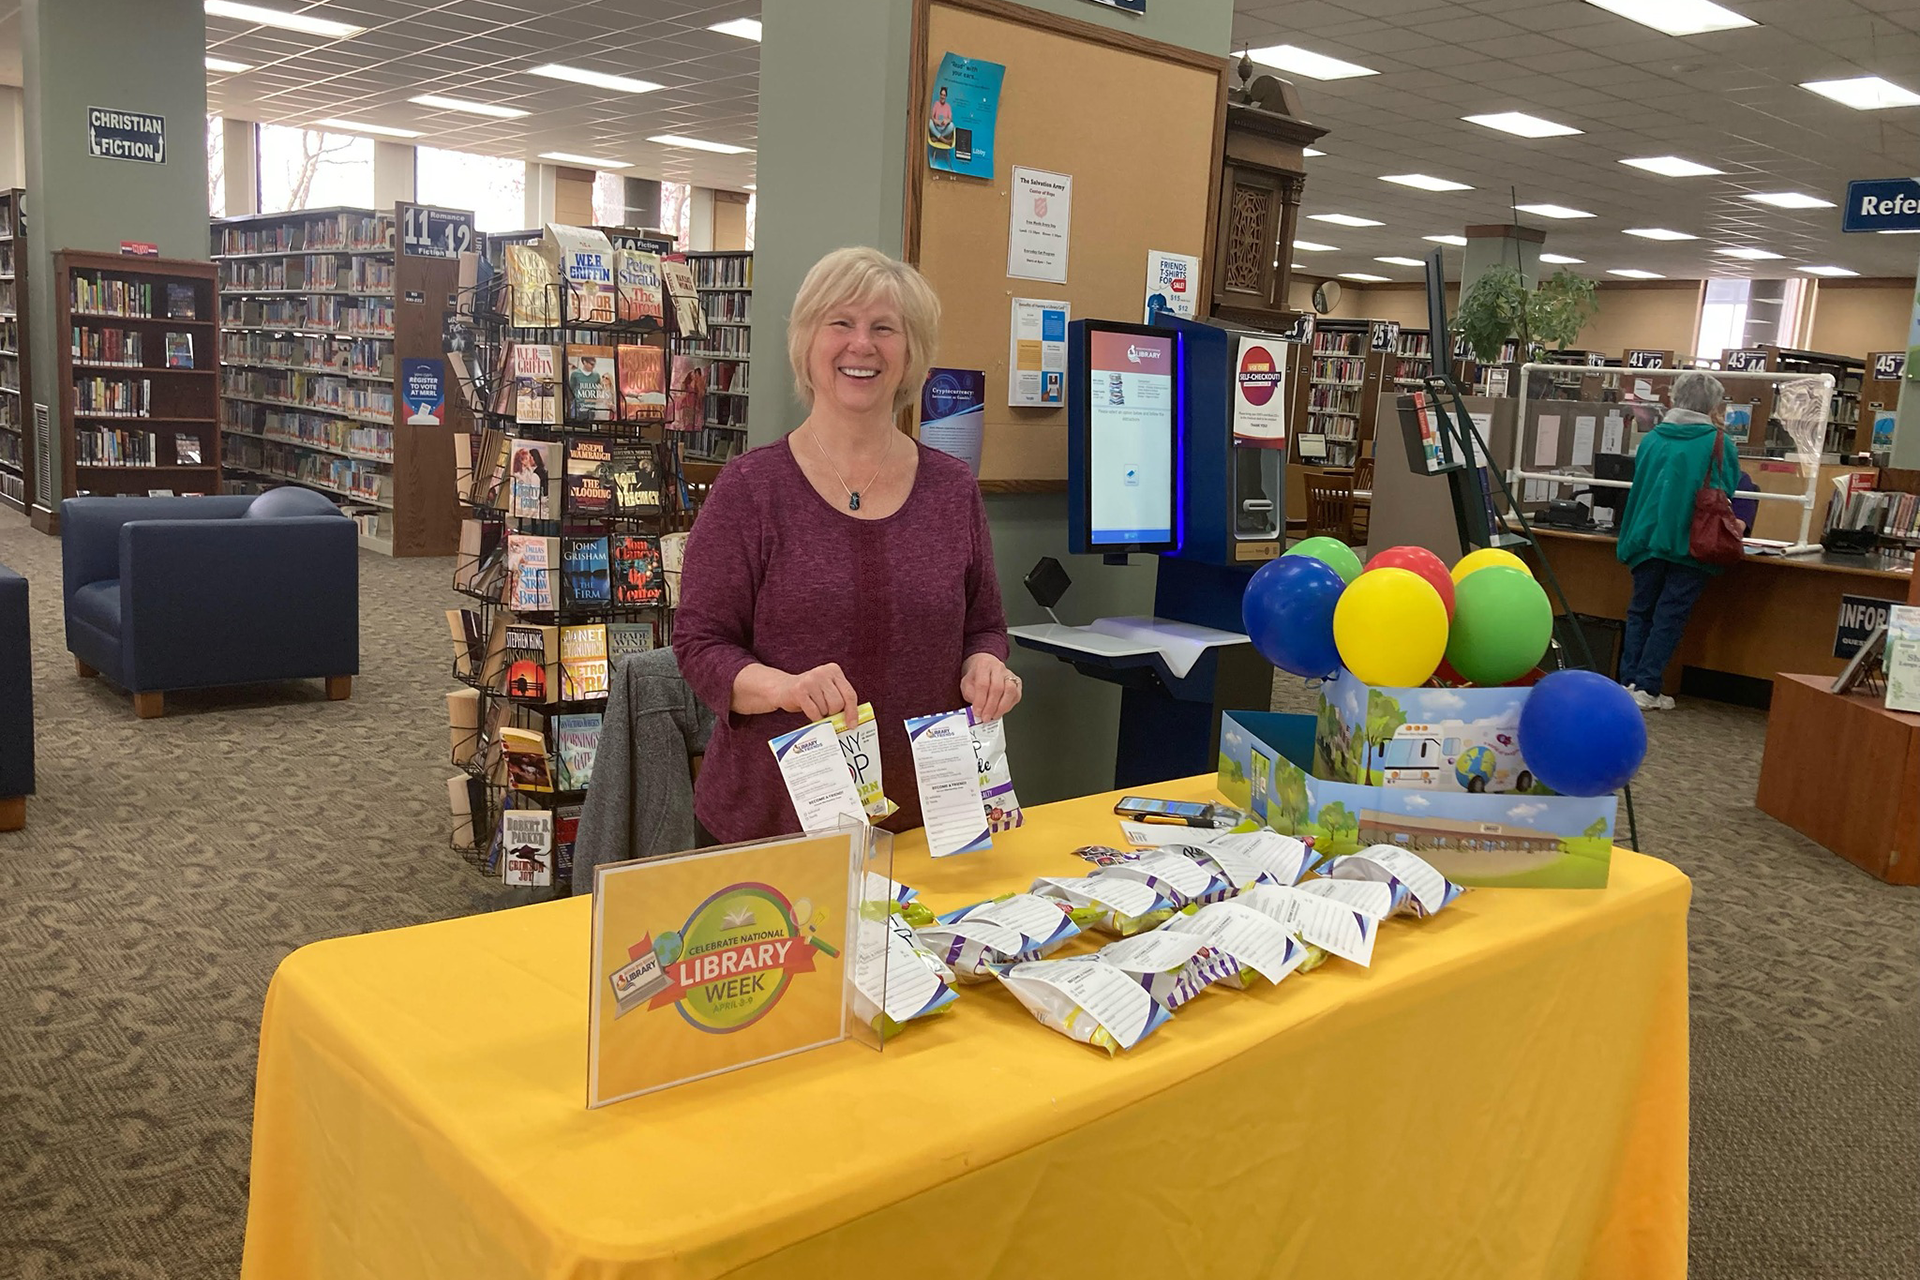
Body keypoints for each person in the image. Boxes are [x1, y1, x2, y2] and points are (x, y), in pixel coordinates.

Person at [674, 246, 1021, 843]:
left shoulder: (952, 488)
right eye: (841, 323)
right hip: (773, 826)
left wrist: (986, 665)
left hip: (928, 823)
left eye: (885, 328)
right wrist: (785, 688)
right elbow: (700, 644)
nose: (862, 344)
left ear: (910, 354)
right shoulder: (751, 488)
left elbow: (984, 626)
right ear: (807, 344)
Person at [1613, 369, 1741, 711]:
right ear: (1713, 405)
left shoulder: (1651, 440)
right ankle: (1648, 686)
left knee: (1640, 611)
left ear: (1674, 398)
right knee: (1669, 616)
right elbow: (1727, 489)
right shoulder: (1720, 444)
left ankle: (1628, 681)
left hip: (1646, 537)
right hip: (1691, 543)